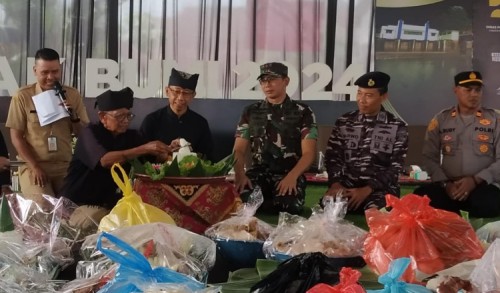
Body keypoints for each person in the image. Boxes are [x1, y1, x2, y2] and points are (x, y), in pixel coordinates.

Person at [60, 87, 172, 227]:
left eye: (128, 116)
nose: (125, 121)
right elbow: (105, 161)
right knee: (105, 221)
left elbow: (153, 160)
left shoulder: (132, 136)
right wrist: (144, 148)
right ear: (103, 117)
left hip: (112, 205)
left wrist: (166, 152)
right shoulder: (89, 134)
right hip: (78, 205)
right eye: (119, 116)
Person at [233, 62, 318, 214]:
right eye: (263, 80)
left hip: (289, 173)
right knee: (243, 203)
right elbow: (238, 149)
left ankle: (268, 204)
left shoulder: (303, 112)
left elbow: (309, 153)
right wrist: (240, 174)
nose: (267, 84)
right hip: (259, 173)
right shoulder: (251, 111)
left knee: (290, 207)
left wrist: (292, 177)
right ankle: (266, 204)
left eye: (272, 79)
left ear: (286, 81)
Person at [414, 71, 500, 217]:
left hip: (483, 185)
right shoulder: (441, 119)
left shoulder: (495, 119)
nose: (474, 94)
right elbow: (429, 156)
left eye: (477, 90)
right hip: (449, 186)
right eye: (468, 90)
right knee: (420, 197)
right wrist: (446, 184)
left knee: (487, 204)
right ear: (456, 90)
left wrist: (474, 180)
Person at [5, 48, 89, 199]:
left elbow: (83, 135)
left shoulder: (72, 94)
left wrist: (74, 116)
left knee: (73, 206)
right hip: (34, 165)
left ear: (60, 70)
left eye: (55, 71)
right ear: (35, 70)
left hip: (64, 165)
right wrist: (34, 166)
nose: (51, 77)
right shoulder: (22, 96)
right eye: (44, 72)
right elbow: (16, 137)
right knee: (45, 206)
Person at [322, 71, 408, 213]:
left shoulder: (396, 126)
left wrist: (367, 189)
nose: (362, 100)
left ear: (383, 97)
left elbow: (395, 168)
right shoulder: (345, 122)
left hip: (380, 189)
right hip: (347, 186)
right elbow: (333, 157)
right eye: (359, 93)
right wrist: (335, 184)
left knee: (377, 212)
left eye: (369, 95)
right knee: (329, 207)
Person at [140, 68, 214, 161]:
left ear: (193, 95)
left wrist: (189, 153)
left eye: (186, 93)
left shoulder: (200, 123)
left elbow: (208, 158)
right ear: (167, 91)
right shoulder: (152, 120)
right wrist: (162, 156)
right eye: (176, 91)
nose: (180, 98)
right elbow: (140, 157)